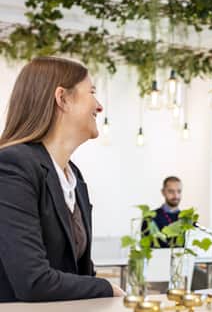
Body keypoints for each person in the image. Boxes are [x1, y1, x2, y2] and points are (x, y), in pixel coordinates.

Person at [0, 57, 124, 302]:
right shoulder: (12, 166)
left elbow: (79, 271)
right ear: (62, 99)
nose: (99, 106)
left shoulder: (74, 177)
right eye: (91, 92)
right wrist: (106, 288)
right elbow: (33, 282)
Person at [152, 176, 182, 248]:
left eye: (179, 191)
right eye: (171, 191)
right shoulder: (151, 217)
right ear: (163, 192)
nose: (176, 195)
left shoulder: (187, 218)